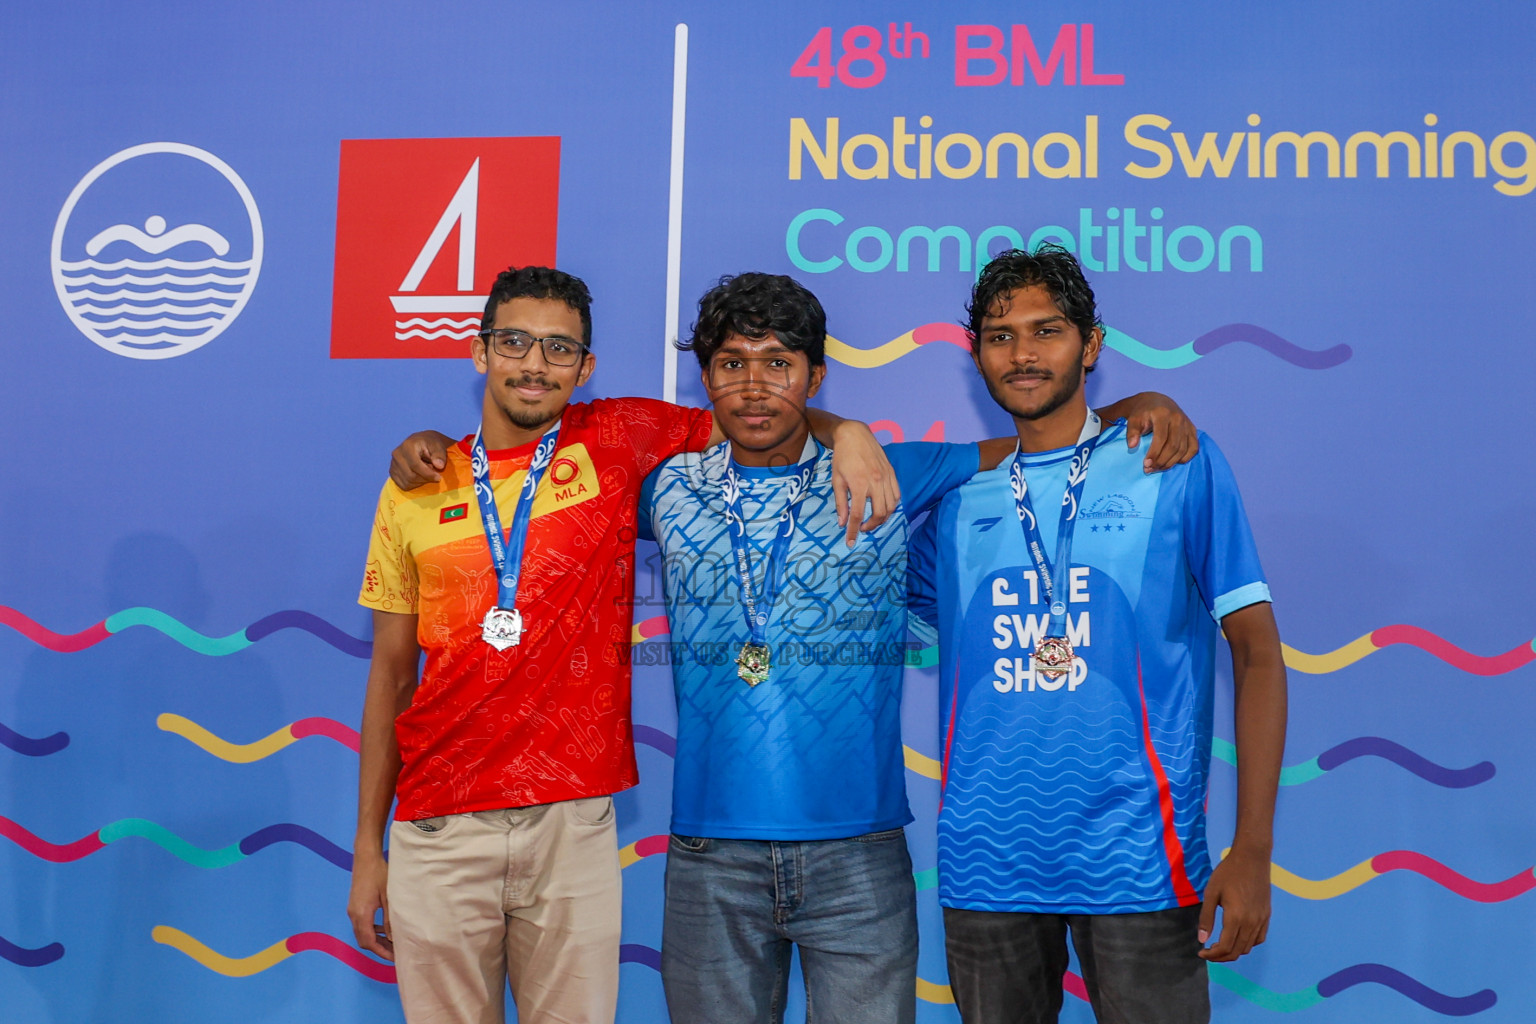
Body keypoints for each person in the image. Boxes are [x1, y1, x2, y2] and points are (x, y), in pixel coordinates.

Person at [635, 272, 1201, 1024]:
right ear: (704, 378)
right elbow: (536, 462)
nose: (754, 384)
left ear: (816, 374)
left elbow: (1042, 440)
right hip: (709, 857)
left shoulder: (897, 475)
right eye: (732, 363)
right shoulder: (662, 487)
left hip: (858, 860)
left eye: (779, 363)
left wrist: (1136, 407)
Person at [347, 265, 897, 1024]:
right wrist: (368, 848)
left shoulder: (618, 437)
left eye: (558, 348)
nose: (535, 363)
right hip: (438, 827)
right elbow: (390, 677)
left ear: (586, 367)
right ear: (479, 353)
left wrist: (853, 433)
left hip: (571, 821)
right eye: (514, 342)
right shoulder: (417, 483)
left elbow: (762, 413)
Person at [908, 245, 1287, 1024]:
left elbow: (1256, 652)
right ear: (975, 351)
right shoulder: (954, 496)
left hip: (1140, 858)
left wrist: (1251, 850)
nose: (1022, 353)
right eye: (999, 334)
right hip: (988, 866)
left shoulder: (1172, 459)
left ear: (1093, 344)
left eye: (1046, 331)